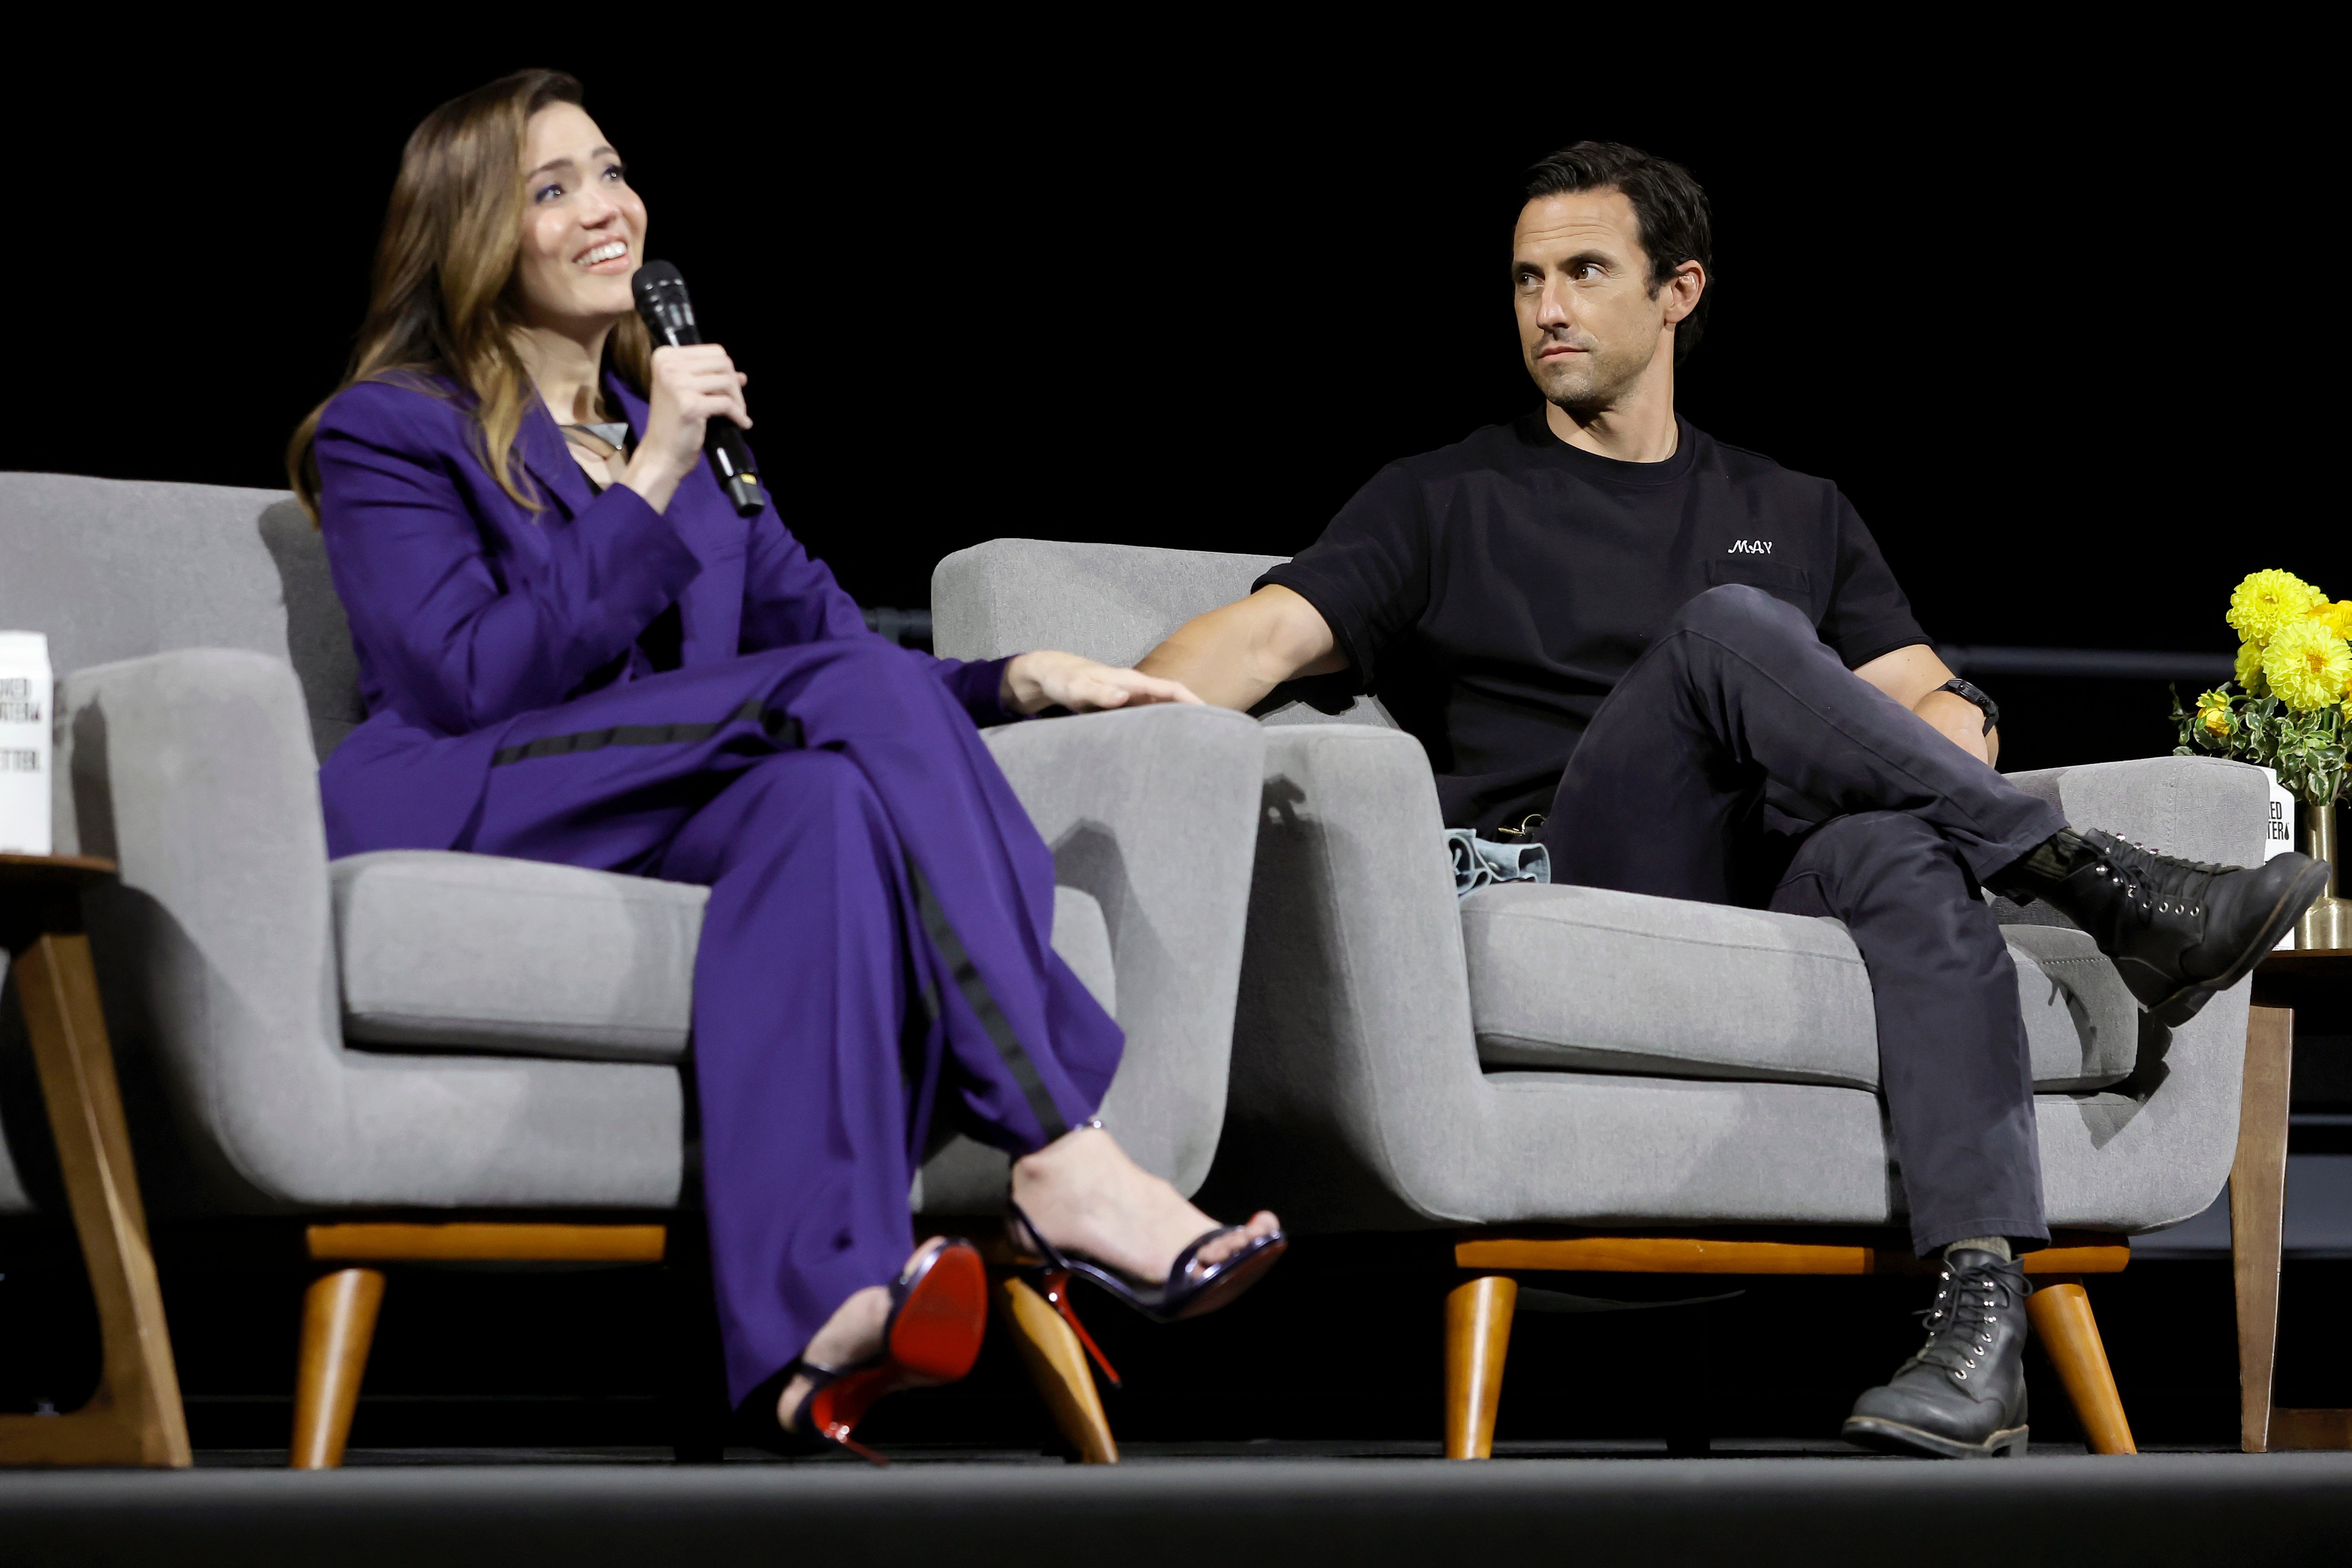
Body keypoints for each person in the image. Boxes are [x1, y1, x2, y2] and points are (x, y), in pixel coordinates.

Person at [1136, 140, 2326, 1459]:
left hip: (1768, 870)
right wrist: (1096, 716)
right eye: (1527, 278)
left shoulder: (1792, 505)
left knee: (1894, 850)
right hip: (1584, 864)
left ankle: (1976, 1319)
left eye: (1584, 272)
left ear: (1677, 291)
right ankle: (2115, 895)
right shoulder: (1444, 497)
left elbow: (1934, 702)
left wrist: (1946, 747)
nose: (1547, 308)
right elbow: (1252, 644)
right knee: (1729, 632)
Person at [291, 69, 1284, 1458]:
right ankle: (1061, 1151)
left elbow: (833, 660)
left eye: (612, 170)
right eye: (551, 187)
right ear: (471, 235)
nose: (605, 208)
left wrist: (1014, 679)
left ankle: (820, 1325)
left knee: (819, 798)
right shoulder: (394, 430)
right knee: (824, 725)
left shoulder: (685, 453)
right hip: (474, 792)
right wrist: (648, 478)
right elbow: (465, 679)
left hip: (670, 795)